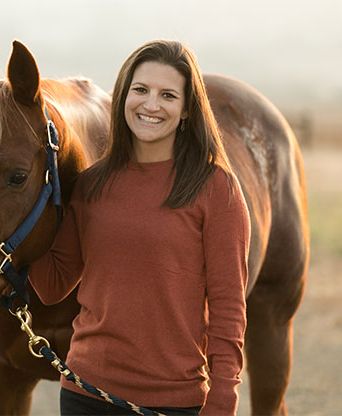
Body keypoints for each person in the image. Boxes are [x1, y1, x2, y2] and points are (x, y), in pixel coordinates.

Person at [28, 40, 250, 415]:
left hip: (173, 402)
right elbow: (51, 287)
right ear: (123, 97)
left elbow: (229, 306)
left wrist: (223, 396)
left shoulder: (215, 188)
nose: (151, 105)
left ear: (186, 110)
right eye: (141, 90)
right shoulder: (90, 185)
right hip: (85, 394)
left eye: (167, 95)